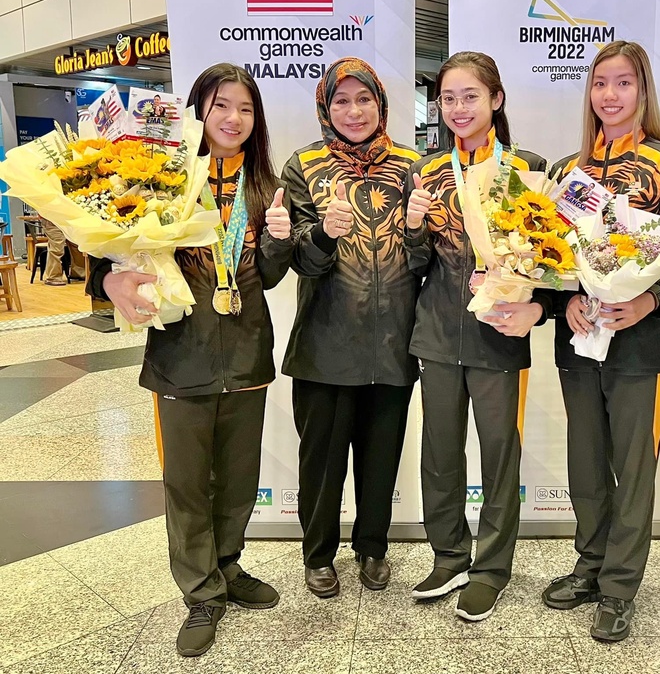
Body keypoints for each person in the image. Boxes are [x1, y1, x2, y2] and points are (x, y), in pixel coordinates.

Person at [87, 63, 294, 658]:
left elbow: (273, 276)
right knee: (186, 484)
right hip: (181, 357)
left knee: (237, 482)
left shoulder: (264, 187)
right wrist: (109, 278)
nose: (234, 119)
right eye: (221, 105)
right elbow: (112, 249)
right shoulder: (163, 180)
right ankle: (200, 591)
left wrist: (278, 239)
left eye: (246, 109)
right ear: (200, 111)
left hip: (248, 356)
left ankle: (227, 567)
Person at [539, 40, 660, 642]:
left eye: (623, 83)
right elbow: (545, 257)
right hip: (580, 338)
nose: (610, 95)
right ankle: (590, 561)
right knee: (585, 459)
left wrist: (649, 300)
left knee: (632, 467)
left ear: (643, 91)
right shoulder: (565, 169)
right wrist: (566, 301)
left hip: (638, 343)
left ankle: (621, 584)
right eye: (600, 83)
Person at [404, 51, 548, 622]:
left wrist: (532, 304)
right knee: (439, 453)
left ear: (496, 99)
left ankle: (490, 567)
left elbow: (549, 258)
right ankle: (449, 555)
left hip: (498, 335)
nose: (459, 108)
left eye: (471, 96)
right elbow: (414, 264)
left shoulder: (528, 169)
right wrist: (413, 224)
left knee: (498, 455)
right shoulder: (429, 171)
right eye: (448, 98)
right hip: (437, 332)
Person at [280, 57, 420, 598]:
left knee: (381, 455)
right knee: (322, 459)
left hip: (393, 342)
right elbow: (297, 259)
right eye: (342, 100)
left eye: (365, 100)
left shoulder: (411, 164)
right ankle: (317, 554)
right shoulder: (304, 165)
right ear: (325, 107)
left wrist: (414, 232)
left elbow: (423, 256)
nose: (354, 111)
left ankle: (373, 547)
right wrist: (322, 235)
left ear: (381, 105)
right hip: (325, 341)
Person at [42, 216, 85, 284]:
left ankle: (78, 273)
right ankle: (53, 277)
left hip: (69, 221)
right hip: (53, 221)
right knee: (56, 248)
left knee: (77, 246)